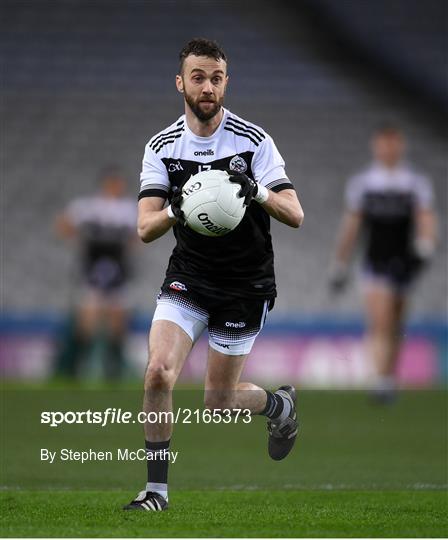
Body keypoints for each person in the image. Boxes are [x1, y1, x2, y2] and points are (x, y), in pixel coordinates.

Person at [124, 38, 304, 512]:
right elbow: (145, 227)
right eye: (199, 77)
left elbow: (295, 212)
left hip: (245, 284)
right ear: (180, 82)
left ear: (226, 83)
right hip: (189, 276)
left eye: (217, 78)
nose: (208, 86)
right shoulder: (162, 146)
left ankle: (278, 406)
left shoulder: (253, 140)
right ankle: (156, 493)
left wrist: (259, 192)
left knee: (218, 402)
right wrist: (174, 211)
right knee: (159, 372)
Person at [329, 125, 437, 402]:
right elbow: (352, 226)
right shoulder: (364, 184)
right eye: (383, 144)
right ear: (376, 147)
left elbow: (426, 218)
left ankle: (388, 378)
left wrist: (425, 246)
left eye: (393, 144)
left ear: (400, 146)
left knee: (396, 322)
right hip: (375, 262)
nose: (388, 149)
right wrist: (340, 264)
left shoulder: (414, 183)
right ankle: (379, 379)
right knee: (381, 319)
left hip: (404, 263)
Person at [55, 167, 137, 379]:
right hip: (93, 269)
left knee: (117, 320)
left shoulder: (128, 209)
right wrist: (78, 241)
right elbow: (64, 224)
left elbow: (140, 234)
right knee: (87, 321)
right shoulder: (88, 206)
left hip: (118, 270)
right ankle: (73, 368)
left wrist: (130, 246)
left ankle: (114, 370)